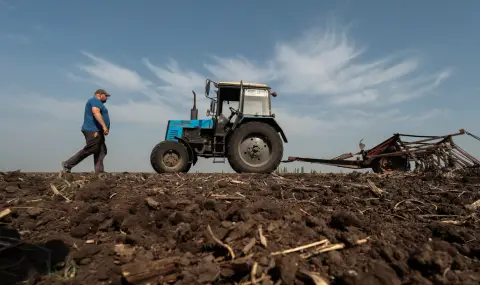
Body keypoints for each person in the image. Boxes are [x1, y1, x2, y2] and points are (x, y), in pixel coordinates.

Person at [62, 89, 111, 173]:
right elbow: (96, 112)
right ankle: (68, 164)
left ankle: (99, 172)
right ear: (100, 94)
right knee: (92, 148)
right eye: (106, 96)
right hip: (92, 130)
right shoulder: (95, 100)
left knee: (101, 150)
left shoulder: (97, 102)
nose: (106, 98)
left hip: (97, 130)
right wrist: (104, 126)